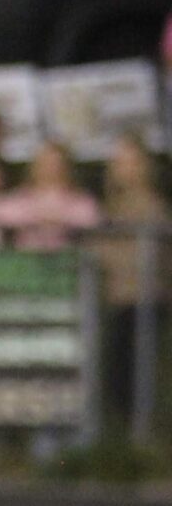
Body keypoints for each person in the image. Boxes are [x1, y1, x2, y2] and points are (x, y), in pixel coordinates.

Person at [97, 132, 168, 428]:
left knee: (136, 377)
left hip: (143, 301)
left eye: (130, 162)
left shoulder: (151, 206)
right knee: (117, 378)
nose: (123, 168)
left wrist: (104, 251)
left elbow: (142, 256)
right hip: (115, 301)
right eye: (119, 162)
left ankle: (138, 435)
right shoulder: (112, 205)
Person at [0, 141, 100, 251]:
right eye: (46, 163)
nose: (51, 169)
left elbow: (90, 217)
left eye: (56, 163)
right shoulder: (22, 197)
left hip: (69, 259)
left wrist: (58, 220)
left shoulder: (80, 200)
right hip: (26, 259)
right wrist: (35, 217)